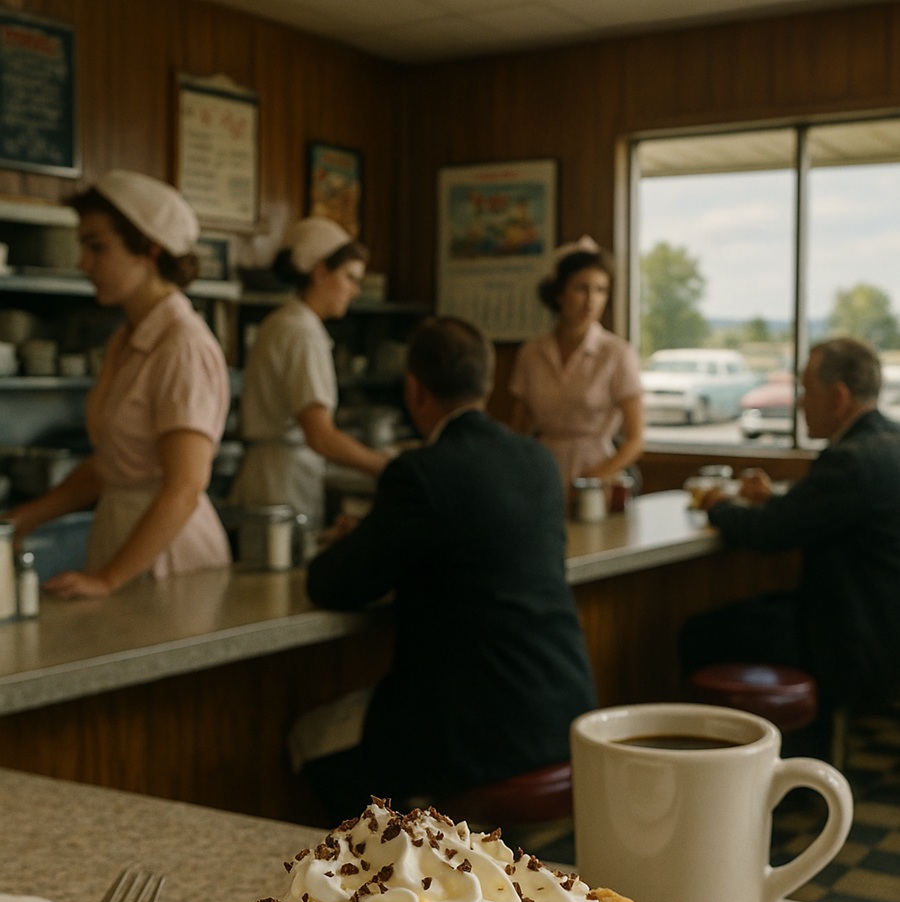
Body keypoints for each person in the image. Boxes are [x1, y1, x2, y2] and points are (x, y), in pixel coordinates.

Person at [303, 315, 597, 823]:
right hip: (561, 713)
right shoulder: (538, 461)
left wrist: (369, 536)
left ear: (414, 389)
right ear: (484, 383)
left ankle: (365, 890)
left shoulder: (419, 472)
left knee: (311, 737)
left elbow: (332, 585)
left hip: (471, 735)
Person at [4, 171, 231, 597]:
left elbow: (185, 486)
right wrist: (21, 520)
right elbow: (109, 467)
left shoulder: (182, 345)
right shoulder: (126, 340)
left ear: (148, 249)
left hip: (172, 558)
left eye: (97, 247)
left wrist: (108, 578)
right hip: (123, 542)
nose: (82, 263)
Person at [680, 337, 900, 740]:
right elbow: (823, 508)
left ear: (838, 396)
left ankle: (751, 774)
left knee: (699, 634)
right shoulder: (887, 444)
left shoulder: (850, 461)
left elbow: (766, 533)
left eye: (805, 390)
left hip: (849, 641)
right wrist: (775, 498)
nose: (800, 402)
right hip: (884, 628)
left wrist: (716, 505)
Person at [229, 217, 388, 530]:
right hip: (282, 484)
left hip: (272, 475)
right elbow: (321, 436)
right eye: (349, 278)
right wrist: (386, 467)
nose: (355, 291)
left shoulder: (282, 320)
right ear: (320, 272)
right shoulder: (302, 332)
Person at [508, 235, 644, 493]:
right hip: (543, 471)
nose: (591, 300)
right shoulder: (531, 353)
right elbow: (519, 430)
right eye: (581, 288)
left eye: (601, 290)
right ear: (560, 293)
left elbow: (635, 439)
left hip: (599, 474)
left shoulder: (616, 353)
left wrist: (592, 478)